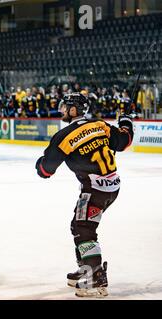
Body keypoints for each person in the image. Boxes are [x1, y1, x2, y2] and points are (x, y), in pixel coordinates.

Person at [35, 93, 133, 298]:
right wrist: (126, 119)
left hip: (94, 190)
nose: (62, 110)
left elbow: (46, 171)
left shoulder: (65, 136)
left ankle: (95, 277)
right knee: (78, 224)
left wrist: (40, 164)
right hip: (113, 187)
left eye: (65, 107)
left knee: (83, 228)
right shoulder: (100, 125)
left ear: (73, 110)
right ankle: (86, 268)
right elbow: (124, 141)